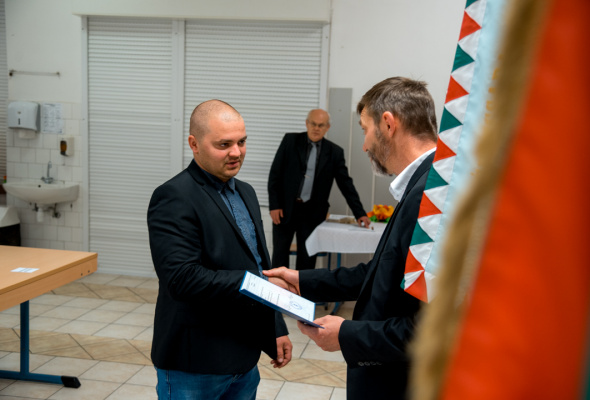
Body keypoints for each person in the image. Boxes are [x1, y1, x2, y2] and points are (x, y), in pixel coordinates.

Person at [264, 77, 438, 400]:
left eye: (365, 129)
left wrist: (347, 335)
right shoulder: (424, 185)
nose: (364, 145)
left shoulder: (430, 197)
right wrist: (302, 281)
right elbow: (382, 275)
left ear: (388, 124)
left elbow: (429, 328)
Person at [147, 100, 292, 400]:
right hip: (195, 363)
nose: (236, 152)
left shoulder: (246, 192)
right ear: (194, 144)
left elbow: (259, 263)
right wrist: (257, 283)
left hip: (244, 358)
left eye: (242, 142)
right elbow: (182, 279)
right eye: (224, 144)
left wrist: (276, 326)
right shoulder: (174, 196)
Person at [268, 109, 371, 271]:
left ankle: (301, 288)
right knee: (279, 257)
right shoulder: (290, 141)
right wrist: (274, 205)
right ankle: (276, 288)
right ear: (307, 123)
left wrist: (360, 213)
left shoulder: (335, 152)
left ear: (327, 127)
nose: (316, 128)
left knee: (307, 260)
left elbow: (346, 185)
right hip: (284, 210)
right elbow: (275, 175)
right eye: (313, 124)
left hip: (312, 214)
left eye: (321, 125)